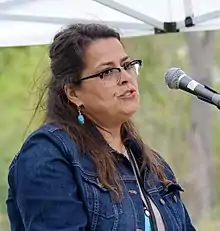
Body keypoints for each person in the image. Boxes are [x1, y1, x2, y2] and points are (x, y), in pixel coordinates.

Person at [6, 23, 196, 231]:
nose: (125, 77)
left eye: (127, 65)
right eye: (107, 72)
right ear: (73, 93)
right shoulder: (48, 153)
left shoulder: (152, 164)